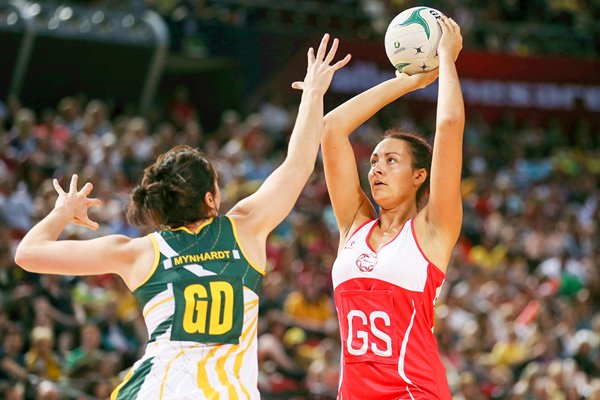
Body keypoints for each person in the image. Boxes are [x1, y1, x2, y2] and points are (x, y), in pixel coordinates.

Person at [14, 33, 351, 399]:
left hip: (155, 389)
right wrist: (313, 93)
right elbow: (299, 163)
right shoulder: (245, 227)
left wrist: (63, 211)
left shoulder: (138, 252)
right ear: (210, 199)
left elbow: (27, 254)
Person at [321, 16, 463, 399]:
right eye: (374, 162)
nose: (377, 168)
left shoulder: (433, 229)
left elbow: (449, 124)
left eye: (391, 161)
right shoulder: (354, 225)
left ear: (420, 176)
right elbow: (332, 128)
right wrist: (408, 82)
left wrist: (447, 58)